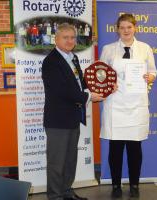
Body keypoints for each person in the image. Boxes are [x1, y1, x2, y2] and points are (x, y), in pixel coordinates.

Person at [42, 23, 104, 200]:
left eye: (72, 37)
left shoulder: (73, 58)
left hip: (72, 118)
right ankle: (55, 196)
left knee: (70, 160)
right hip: (57, 121)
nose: (70, 41)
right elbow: (62, 91)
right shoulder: (51, 62)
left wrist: (99, 88)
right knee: (56, 163)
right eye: (65, 37)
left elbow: (80, 83)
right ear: (56, 39)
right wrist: (89, 97)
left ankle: (67, 192)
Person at [100, 14, 157, 198]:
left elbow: (153, 70)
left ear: (135, 28)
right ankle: (116, 185)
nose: (126, 31)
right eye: (122, 27)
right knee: (115, 148)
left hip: (136, 104)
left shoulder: (145, 48)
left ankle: (134, 184)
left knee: (134, 149)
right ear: (117, 29)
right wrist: (109, 83)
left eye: (129, 27)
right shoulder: (108, 49)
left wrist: (151, 77)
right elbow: (100, 74)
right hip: (115, 104)